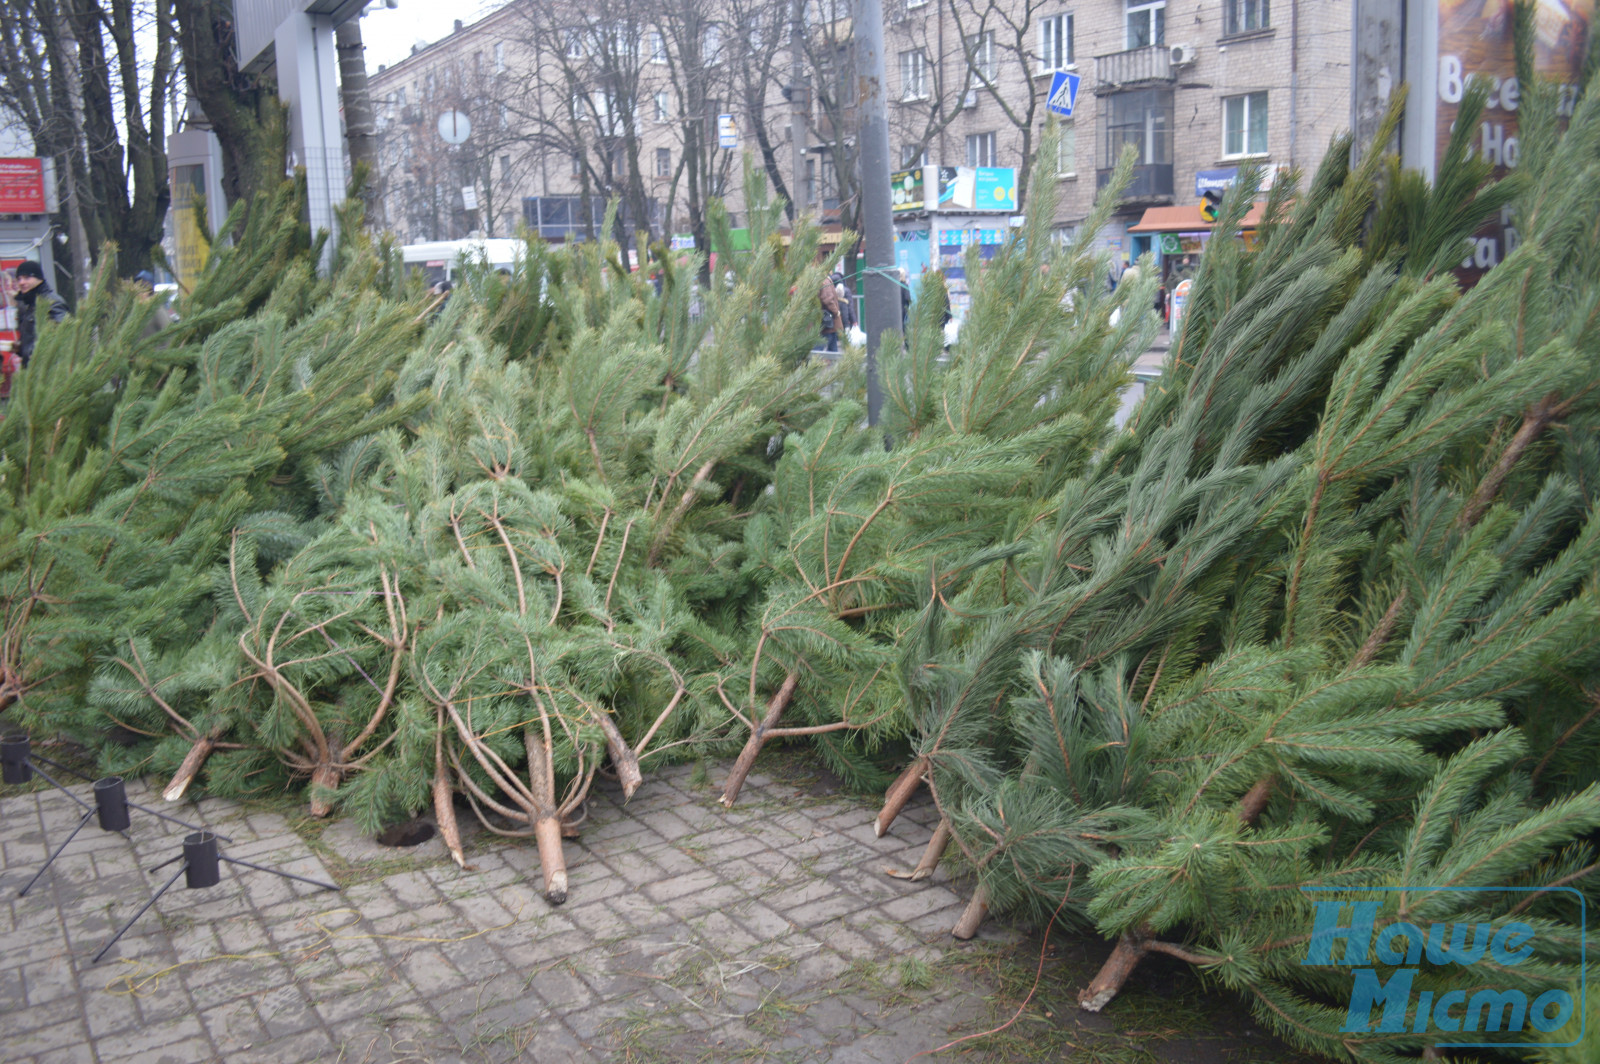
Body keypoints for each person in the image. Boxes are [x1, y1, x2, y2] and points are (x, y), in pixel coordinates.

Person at [12, 260, 67, 369]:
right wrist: (21, 349)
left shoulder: (52, 302)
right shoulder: (29, 305)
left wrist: (40, 354)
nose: (21, 282)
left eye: (27, 277)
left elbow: (64, 334)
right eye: (19, 279)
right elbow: (33, 339)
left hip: (49, 372)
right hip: (32, 373)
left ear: (39, 279)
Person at [819, 275, 844, 352]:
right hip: (829, 321)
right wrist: (836, 312)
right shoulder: (825, 281)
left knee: (832, 348)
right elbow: (828, 300)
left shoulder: (823, 280)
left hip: (829, 322)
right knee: (820, 348)